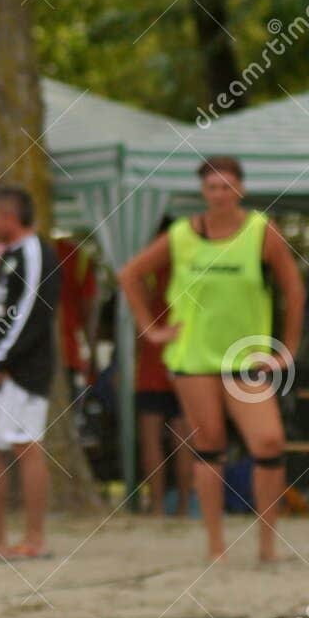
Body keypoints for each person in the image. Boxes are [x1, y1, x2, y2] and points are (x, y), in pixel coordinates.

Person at [118, 156, 304, 561]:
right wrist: (151, 329)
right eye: (213, 187)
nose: (220, 194)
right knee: (208, 444)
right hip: (194, 357)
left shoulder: (261, 231)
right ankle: (216, 543)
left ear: (240, 189)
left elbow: (294, 290)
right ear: (203, 192)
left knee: (269, 442)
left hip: (245, 359)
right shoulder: (182, 234)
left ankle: (267, 546)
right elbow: (130, 274)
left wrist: (287, 349)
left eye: (228, 186)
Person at [0, 186, 60, 561]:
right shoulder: (8, 257)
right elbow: (6, 305)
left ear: (10, 216)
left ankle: (35, 538)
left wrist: (2, 359)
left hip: (22, 370)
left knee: (26, 446)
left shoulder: (35, 253)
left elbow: (31, 311)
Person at [130, 217, 193, 518]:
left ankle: (157, 507)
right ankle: (181, 507)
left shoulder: (145, 272)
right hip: (183, 360)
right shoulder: (193, 270)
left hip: (155, 362)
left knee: (153, 439)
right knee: (182, 439)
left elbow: (134, 321)